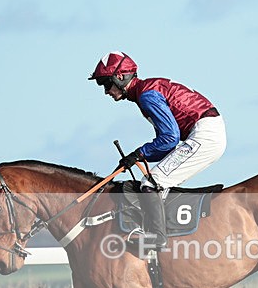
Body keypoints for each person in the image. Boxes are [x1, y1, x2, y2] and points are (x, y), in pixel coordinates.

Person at [89, 51, 227, 250]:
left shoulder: (147, 96)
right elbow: (166, 144)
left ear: (120, 77)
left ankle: (157, 237)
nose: (106, 91)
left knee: (152, 183)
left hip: (205, 134)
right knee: (155, 180)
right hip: (205, 131)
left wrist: (139, 153)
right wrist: (137, 157)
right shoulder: (147, 91)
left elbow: (170, 139)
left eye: (105, 83)